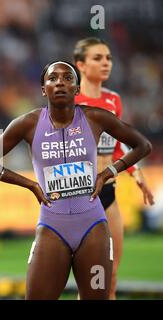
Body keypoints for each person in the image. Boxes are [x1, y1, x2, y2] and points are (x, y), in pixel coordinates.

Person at [0, 61, 152, 299]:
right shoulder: (29, 123)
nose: (60, 82)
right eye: (53, 78)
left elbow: (143, 145)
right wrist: (30, 184)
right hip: (51, 226)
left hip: (93, 227)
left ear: (77, 89)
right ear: (43, 89)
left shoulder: (96, 118)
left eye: (68, 78)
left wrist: (108, 172)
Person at [73, 37, 155, 299]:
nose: (106, 63)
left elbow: (118, 147)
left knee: (111, 273)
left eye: (108, 57)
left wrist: (136, 173)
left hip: (108, 193)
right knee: (86, 277)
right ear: (81, 65)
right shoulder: (69, 102)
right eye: (97, 58)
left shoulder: (113, 100)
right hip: (78, 197)